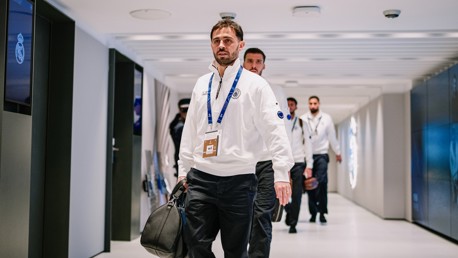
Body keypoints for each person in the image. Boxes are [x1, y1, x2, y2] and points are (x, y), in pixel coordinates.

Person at [177, 19, 294, 258]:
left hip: (239, 181)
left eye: (228, 40)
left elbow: (275, 129)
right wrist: (183, 170)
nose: (221, 45)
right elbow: (191, 130)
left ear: (240, 45)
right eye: (216, 41)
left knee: (235, 250)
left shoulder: (256, 85)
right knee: (195, 245)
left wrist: (281, 173)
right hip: (201, 178)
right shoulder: (201, 84)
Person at [242, 47, 293, 256]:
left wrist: (285, 167)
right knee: (242, 215)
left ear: (264, 65)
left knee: (262, 213)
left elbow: (284, 130)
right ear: (243, 63)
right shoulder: (233, 89)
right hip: (241, 162)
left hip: (268, 161)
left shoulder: (275, 90)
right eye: (250, 61)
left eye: (258, 61)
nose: (254, 65)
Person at [301, 95, 342, 223]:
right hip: (307, 156)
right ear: (308, 105)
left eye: (315, 103)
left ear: (319, 104)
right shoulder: (303, 119)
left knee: (322, 183)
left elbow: (332, 136)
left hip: (322, 155)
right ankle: (313, 213)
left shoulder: (326, 118)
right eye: (311, 103)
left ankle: (322, 213)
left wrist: (337, 152)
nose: (313, 106)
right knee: (310, 185)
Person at [284, 97, 313, 233]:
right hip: (283, 163)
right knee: (277, 194)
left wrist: (309, 165)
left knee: (297, 195)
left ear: (296, 107)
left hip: (298, 163)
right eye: (288, 104)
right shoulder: (280, 121)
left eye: (292, 105)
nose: (289, 106)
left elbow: (308, 144)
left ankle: (293, 224)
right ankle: (289, 210)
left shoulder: (302, 123)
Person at [169, 98, 190, 177]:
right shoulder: (179, 127)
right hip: (184, 159)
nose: (186, 113)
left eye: (188, 109)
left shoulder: (179, 125)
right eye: (184, 110)